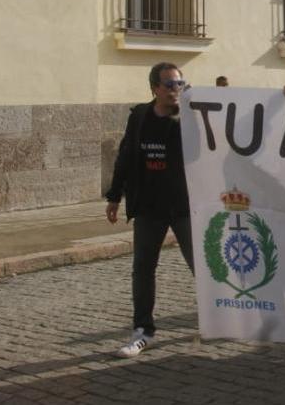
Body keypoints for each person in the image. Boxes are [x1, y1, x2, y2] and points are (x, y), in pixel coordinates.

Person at [105, 62, 195, 358]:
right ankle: (143, 330)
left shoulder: (191, 117)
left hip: (184, 207)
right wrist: (115, 195)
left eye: (180, 84)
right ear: (155, 88)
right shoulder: (140, 116)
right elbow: (126, 155)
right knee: (143, 270)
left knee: (203, 268)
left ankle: (223, 316)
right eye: (169, 85)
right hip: (149, 207)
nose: (175, 90)